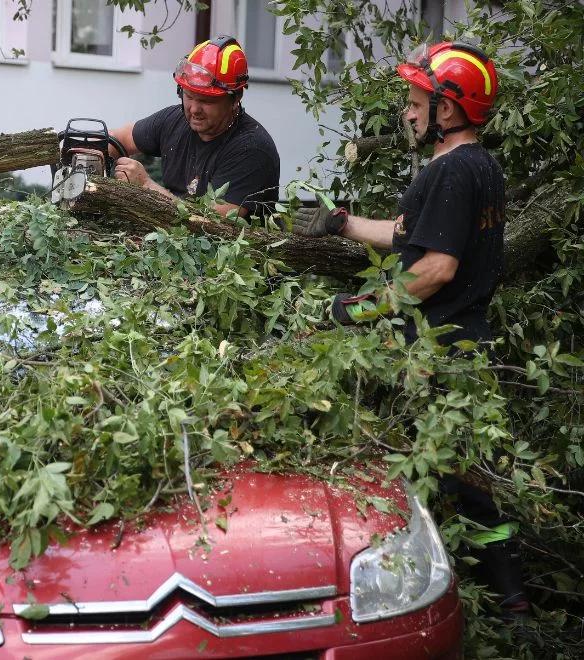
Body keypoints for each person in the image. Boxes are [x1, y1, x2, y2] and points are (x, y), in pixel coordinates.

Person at [290, 41, 527, 614]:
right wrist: (341, 224)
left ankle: (473, 605)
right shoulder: (478, 167)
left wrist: (364, 308)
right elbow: (409, 236)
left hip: (440, 348)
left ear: (447, 110)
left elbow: (436, 268)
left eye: (417, 100)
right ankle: (509, 602)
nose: (407, 110)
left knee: (442, 480)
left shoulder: (453, 170)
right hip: (463, 345)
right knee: (468, 481)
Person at [106, 36, 281, 217]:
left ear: (235, 98)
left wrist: (146, 186)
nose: (195, 109)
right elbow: (118, 138)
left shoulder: (251, 149)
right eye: (189, 96)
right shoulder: (174, 120)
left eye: (206, 100)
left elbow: (212, 224)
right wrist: (90, 157)